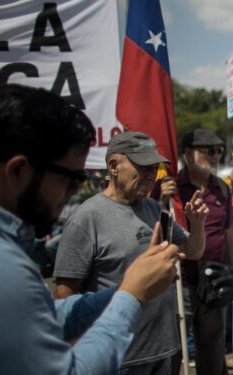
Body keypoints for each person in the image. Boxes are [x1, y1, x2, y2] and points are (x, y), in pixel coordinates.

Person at [0, 84, 183, 374]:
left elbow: (49, 316)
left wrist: (130, 288)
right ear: (18, 170)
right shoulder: (5, 266)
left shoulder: (9, 250)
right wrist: (131, 295)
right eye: (71, 179)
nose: (73, 192)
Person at [54, 131, 208, 374]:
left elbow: (193, 251)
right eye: (143, 166)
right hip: (119, 359)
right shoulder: (86, 218)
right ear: (114, 166)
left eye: (154, 167)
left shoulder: (154, 209)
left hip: (164, 351)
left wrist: (197, 223)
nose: (151, 175)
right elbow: (65, 299)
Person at [153, 128, 233, 375]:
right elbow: (153, 227)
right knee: (174, 352)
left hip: (213, 282)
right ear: (188, 154)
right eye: (208, 150)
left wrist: (232, 269)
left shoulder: (222, 187)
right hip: (179, 281)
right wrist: (159, 200)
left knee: (212, 350)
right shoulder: (169, 188)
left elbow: (227, 231)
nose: (215, 156)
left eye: (219, 151)